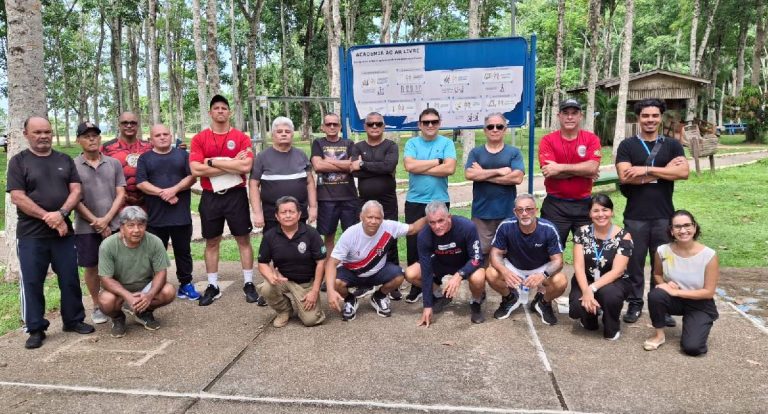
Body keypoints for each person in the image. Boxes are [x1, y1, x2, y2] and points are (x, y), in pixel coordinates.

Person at [8, 116, 94, 349]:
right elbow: (18, 197)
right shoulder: (18, 161)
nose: (43, 136)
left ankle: (73, 320)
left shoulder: (64, 160)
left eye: (47, 132)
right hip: (31, 234)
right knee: (32, 281)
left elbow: (76, 190)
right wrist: (50, 217)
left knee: (69, 278)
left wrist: (62, 213)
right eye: (37, 132)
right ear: (26, 134)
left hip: (63, 234)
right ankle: (35, 328)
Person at [616, 98, 689, 325]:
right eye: (645, 116)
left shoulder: (672, 145)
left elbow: (684, 172)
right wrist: (665, 171)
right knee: (634, 263)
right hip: (636, 216)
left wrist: (646, 169)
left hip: (664, 215)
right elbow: (625, 176)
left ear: (660, 117)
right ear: (638, 118)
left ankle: (661, 306)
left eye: (655, 115)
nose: (650, 120)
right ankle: (635, 304)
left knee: (663, 264)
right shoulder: (627, 145)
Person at [189, 95, 263, 306]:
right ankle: (213, 285)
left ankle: (248, 283)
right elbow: (195, 169)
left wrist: (211, 162)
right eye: (216, 108)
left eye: (224, 108)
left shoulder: (241, 138)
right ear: (210, 113)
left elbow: (246, 167)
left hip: (235, 195)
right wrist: (231, 162)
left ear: (229, 112)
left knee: (243, 239)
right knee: (212, 241)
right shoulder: (199, 139)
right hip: (211, 196)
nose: (220, 111)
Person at [325, 200, 427, 321]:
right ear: (361, 216)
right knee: (335, 283)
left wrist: (430, 216)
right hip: (352, 273)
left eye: (378, 218)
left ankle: (379, 296)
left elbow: (413, 228)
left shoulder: (389, 226)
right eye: (370, 217)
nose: (373, 221)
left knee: (399, 276)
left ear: (382, 218)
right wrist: (330, 291)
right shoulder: (350, 234)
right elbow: (331, 263)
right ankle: (350, 299)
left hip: (378, 272)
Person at [643, 210, 719, 356]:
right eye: (677, 227)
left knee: (692, 348)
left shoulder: (709, 255)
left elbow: (708, 292)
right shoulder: (662, 251)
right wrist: (665, 283)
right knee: (656, 295)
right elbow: (657, 274)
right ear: (671, 230)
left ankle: (694, 324)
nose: (683, 230)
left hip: (700, 304)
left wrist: (676, 291)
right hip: (675, 301)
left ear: (695, 227)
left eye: (687, 225)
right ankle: (659, 335)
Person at [137, 124, 199, 301]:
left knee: (183, 251)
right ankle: (156, 286)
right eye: (158, 135)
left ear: (171, 137)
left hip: (181, 215)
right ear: (151, 140)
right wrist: (163, 193)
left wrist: (174, 190)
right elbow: (141, 183)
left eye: (166, 134)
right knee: (156, 253)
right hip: (156, 217)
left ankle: (185, 284)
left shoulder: (182, 155)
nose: (162, 137)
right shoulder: (145, 158)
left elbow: (192, 177)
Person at [73, 122, 126, 325]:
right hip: (86, 227)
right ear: (79, 140)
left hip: (113, 224)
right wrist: (96, 222)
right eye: (86, 136)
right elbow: (74, 199)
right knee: (92, 267)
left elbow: (121, 192)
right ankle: (97, 305)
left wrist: (106, 220)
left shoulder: (113, 163)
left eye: (95, 135)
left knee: (119, 265)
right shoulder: (73, 165)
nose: (92, 139)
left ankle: (118, 301)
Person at [486, 194, 567, 325]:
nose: (524, 213)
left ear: (536, 210)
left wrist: (543, 274)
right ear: (515, 212)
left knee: (561, 281)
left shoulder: (549, 229)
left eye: (529, 209)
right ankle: (509, 298)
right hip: (514, 266)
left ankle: (543, 302)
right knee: (491, 273)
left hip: (540, 267)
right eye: (520, 209)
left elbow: (558, 261)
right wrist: (505, 272)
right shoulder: (506, 226)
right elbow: (495, 253)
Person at [402, 108, 457, 302]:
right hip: (415, 201)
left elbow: (450, 168)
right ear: (420, 125)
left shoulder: (447, 142)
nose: (430, 125)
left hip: (439, 201)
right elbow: (409, 166)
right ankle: (416, 285)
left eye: (434, 121)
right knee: (414, 243)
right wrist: (436, 162)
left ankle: (436, 281)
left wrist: (421, 167)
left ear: (439, 123)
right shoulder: (412, 142)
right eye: (426, 122)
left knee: (439, 244)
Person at [98, 207, 176, 337]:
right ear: (122, 227)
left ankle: (144, 312)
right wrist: (127, 295)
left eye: (141, 225)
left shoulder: (155, 241)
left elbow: (161, 272)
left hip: (145, 287)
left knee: (169, 291)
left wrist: (149, 295)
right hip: (119, 290)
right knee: (106, 300)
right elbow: (105, 279)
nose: (136, 230)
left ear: (145, 226)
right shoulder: (108, 245)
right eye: (131, 225)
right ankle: (118, 318)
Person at [404, 201, 486, 326]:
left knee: (479, 277)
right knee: (410, 273)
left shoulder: (467, 226)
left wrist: (459, 275)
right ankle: (439, 295)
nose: (437, 226)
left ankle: (476, 301)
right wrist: (427, 305)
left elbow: (477, 258)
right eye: (432, 222)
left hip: (464, 263)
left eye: (440, 221)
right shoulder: (424, 235)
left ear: (449, 217)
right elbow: (426, 272)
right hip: (440, 262)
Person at [349, 112, 401, 298]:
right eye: (370, 124)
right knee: (365, 240)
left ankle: (392, 283)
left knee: (390, 239)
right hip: (364, 202)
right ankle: (364, 281)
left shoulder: (391, 146)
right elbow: (354, 171)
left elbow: (389, 166)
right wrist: (377, 168)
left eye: (378, 124)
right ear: (365, 127)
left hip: (388, 202)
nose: (374, 127)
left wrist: (363, 165)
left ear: (383, 126)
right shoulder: (358, 146)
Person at [538, 99, 602, 249]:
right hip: (555, 206)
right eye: (565, 113)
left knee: (590, 253)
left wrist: (559, 168)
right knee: (550, 252)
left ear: (581, 116)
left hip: (584, 206)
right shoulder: (547, 140)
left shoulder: (591, 139)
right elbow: (549, 172)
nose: (570, 117)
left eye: (574, 113)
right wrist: (583, 171)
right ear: (559, 115)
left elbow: (592, 168)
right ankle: (555, 274)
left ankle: (580, 274)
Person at [569, 194, 633, 340]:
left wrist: (591, 290)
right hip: (587, 279)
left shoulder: (624, 236)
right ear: (589, 214)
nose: (601, 214)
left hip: (614, 282)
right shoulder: (582, 232)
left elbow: (618, 271)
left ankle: (612, 324)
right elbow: (578, 267)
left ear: (611, 212)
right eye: (595, 211)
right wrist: (586, 290)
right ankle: (589, 318)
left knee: (609, 296)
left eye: (605, 210)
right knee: (576, 308)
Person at [257, 196, 326, 328]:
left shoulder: (311, 234)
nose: (288, 215)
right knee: (266, 288)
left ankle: (303, 306)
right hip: (283, 280)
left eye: (291, 212)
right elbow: (262, 262)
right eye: (283, 212)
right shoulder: (269, 236)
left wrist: (315, 291)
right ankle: (284, 310)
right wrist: (270, 277)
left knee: (310, 321)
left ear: (299, 214)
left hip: (306, 282)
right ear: (277, 216)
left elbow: (321, 263)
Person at [465, 113, 525, 263]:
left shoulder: (514, 153)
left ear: (505, 130)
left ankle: (507, 285)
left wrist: (483, 174)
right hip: (481, 214)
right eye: (490, 126)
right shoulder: (476, 153)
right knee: (481, 255)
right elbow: (469, 174)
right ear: (485, 130)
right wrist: (498, 171)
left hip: (507, 213)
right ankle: (481, 285)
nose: (495, 129)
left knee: (508, 254)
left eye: (499, 126)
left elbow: (517, 178)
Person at [250, 116, 317, 235]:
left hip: (298, 214)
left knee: (300, 248)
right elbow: (253, 185)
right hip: (271, 216)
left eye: (287, 131)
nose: (284, 134)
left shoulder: (301, 155)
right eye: (279, 131)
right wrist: (257, 213)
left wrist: (312, 208)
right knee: (273, 249)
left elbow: (310, 182)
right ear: (272, 135)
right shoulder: (262, 157)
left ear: (292, 134)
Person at [310, 113, 359, 255]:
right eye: (328, 124)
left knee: (351, 235)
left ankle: (348, 267)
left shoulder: (349, 143)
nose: (332, 126)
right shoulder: (318, 143)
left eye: (335, 124)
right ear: (323, 127)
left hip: (349, 197)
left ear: (340, 126)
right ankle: (329, 267)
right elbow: (318, 166)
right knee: (328, 236)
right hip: (326, 198)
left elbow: (353, 165)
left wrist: (328, 161)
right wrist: (344, 164)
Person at [101, 112, 152, 208]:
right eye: (125, 123)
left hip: (147, 203)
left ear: (137, 125)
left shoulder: (149, 147)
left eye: (133, 123)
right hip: (118, 204)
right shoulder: (107, 148)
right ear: (119, 125)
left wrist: (180, 151)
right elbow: (99, 175)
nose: (129, 126)